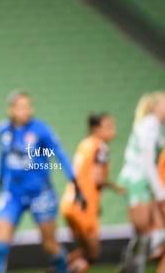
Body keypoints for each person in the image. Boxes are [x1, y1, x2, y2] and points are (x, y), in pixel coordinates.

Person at [0, 91, 86, 273]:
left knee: (50, 246)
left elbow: (60, 154)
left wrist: (75, 182)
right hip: (12, 194)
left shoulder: (41, 130)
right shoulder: (3, 130)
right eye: (21, 107)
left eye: (29, 106)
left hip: (40, 194)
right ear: (11, 110)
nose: (26, 110)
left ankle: (64, 269)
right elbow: (2, 157)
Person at [60, 113, 125, 272]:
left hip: (69, 203)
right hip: (84, 206)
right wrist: (116, 187)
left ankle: (56, 268)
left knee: (85, 251)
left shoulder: (85, 144)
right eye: (109, 127)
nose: (113, 131)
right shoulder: (100, 147)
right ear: (96, 129)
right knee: (93, 253)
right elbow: (97, 179)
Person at [117, 91, 165, 273]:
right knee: (148, 235)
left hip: (145, 183)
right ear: (154, 106)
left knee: (155, 234)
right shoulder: (150, 125)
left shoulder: (156, 126)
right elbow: (147, 161)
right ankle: (131, 267)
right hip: (138, 181)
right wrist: (161, 193)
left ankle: (130, 266)